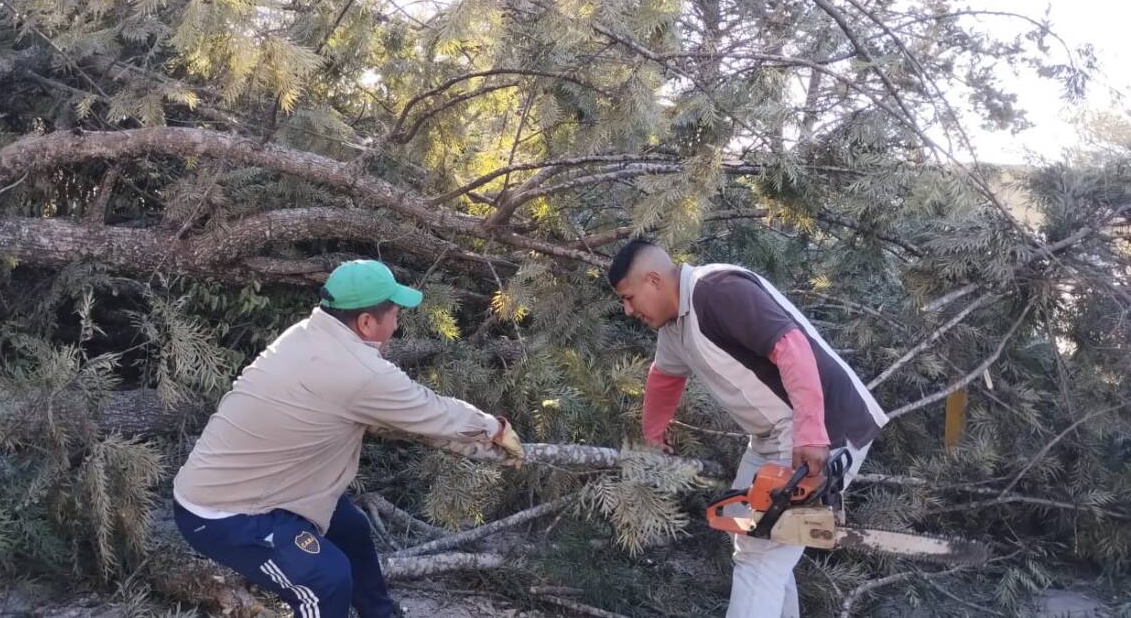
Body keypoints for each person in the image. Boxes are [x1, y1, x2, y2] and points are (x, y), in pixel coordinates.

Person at [172, 259, 525, 618]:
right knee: (325, 580)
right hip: (224, 512)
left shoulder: (307, 333)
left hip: (275, 487)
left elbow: (377, 419)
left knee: (351, 528)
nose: (398, 320)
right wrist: (495, 430)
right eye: (395, 312)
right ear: (367, 322)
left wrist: (461, 443)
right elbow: (435, 413)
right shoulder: (360, 372)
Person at [607, 240, 889, 618]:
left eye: (629, 297)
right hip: (772, 436)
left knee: (761, 558)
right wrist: (653, 436)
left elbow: (791, 346)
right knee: (754, 542)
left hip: (823, 427)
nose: (628, 310)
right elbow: (664, 378)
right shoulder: (674, 327)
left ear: (654, 280)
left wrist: (810, 432)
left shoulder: (717, 291)